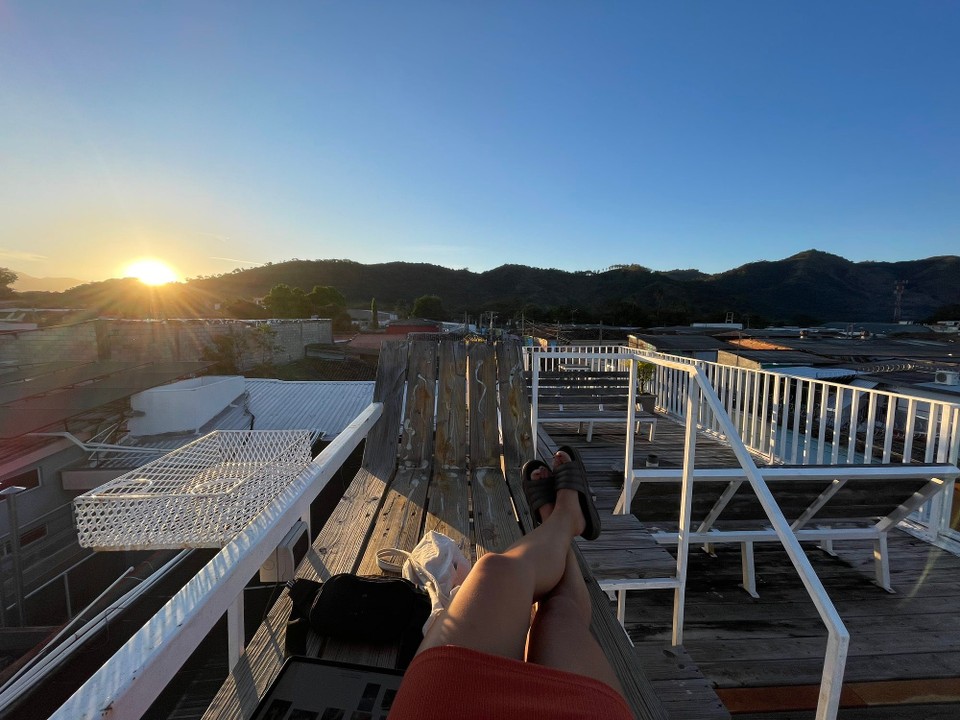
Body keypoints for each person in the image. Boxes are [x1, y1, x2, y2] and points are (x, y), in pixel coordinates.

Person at [388, 446, 633, 719]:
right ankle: (563, 521)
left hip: (446, 702)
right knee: (558, 615)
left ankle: (557, 524)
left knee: (494, 569)